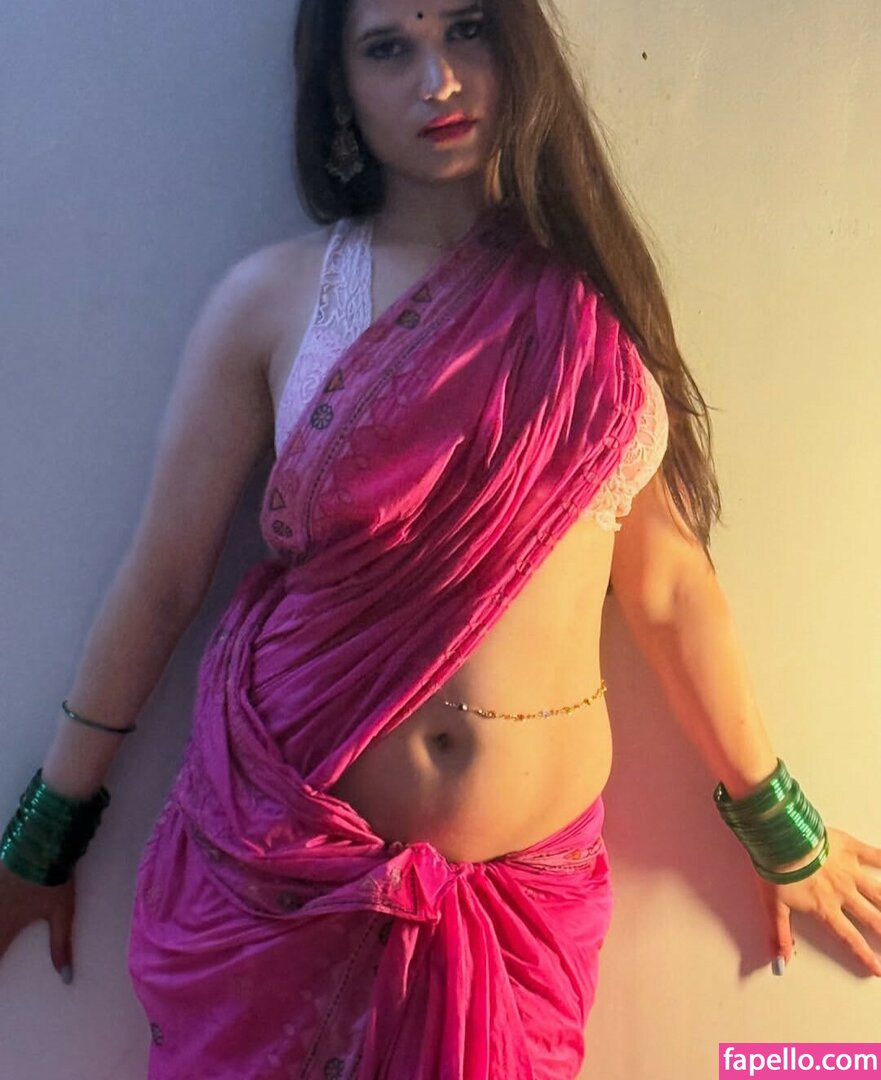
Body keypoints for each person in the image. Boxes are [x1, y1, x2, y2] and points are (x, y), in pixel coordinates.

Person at [2, 0, 880, 1076]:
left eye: (465, 31)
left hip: (521, 914)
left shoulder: (594, 300)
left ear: (516, 50)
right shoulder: (275, 302)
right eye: (388, 48)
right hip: (285, 875)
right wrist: (48, 826)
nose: (438, 80)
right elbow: (163, 579)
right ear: (338, 90)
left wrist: (776, 820)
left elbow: (663, 585)